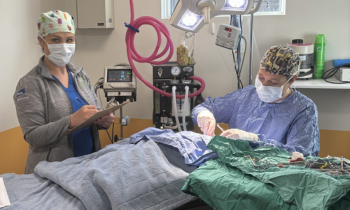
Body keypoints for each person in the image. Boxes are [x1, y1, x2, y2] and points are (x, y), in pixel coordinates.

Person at [13, 10, 115, 174]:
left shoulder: (80, 76)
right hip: (52, 173)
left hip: (88, 165)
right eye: (55, 40)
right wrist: (70, 121)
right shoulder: (31, 83)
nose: (63, 45)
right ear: (41, 41)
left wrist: (102, 121)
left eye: (69, 40)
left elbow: (92, 114)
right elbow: (33, 136)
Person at [192, 45, 320, 156]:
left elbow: (299, 154)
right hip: (233, 166)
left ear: (291, 80)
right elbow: (206, 107)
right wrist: (204, 115)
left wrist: (251, 139)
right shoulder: (247, 95)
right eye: (261, 77)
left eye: (273, 82)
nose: (264, 85)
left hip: (272, 174)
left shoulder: (304, 109)